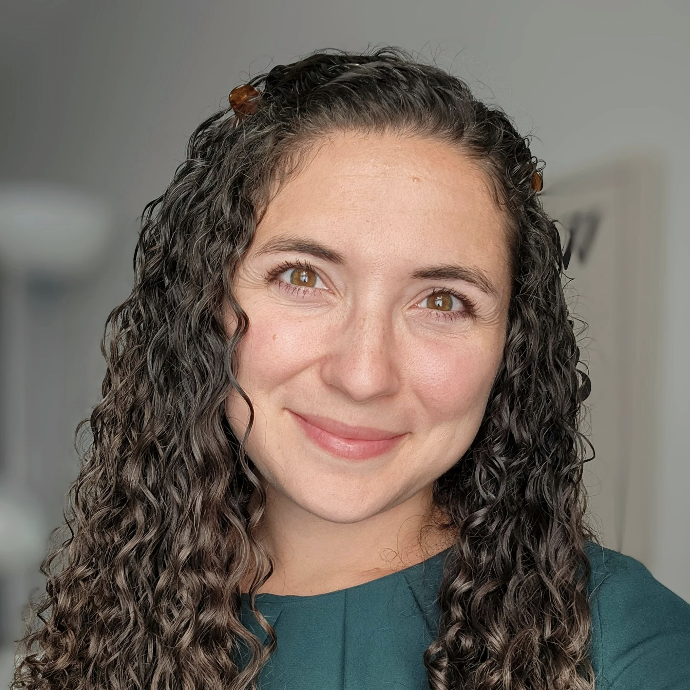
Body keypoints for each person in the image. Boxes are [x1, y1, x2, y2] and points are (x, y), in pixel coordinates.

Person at [11, 48, 690, 690]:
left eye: (444, 300)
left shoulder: (622, 642)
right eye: (303, 276)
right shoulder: (117, 618)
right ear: (206, 304)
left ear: (511, 344)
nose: (364, 375)